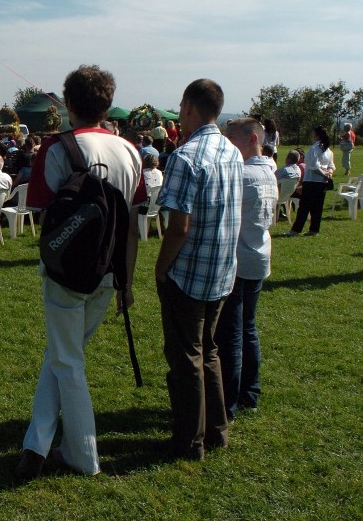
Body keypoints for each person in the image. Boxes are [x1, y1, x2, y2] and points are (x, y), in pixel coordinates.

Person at [15, 65, 141, 482]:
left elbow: (41, 218)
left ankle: (83, 455)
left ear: (67, 104)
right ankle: (35, 444)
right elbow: (133, 226)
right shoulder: (130, 152)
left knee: (67, 361)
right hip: (110, 272)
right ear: (106, 105)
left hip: (66, 273)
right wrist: (128, 281)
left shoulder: (55, 150)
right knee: (62, 355)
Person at [154, 79, 243, 461]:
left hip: (189, 273)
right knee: (208, 350)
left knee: (187, 357)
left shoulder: (186, 156)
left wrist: (160, 268)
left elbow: (179, 226)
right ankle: (217, 431)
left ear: (190, 107)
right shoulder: (232, 151)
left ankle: (190, 441)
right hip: (222, 270)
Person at [215, 118, 278, 422]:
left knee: (231, 333)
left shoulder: (243, 173)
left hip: (240, 258)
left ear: (252, 139)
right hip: (259, 254)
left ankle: (228, 401)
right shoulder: (269, 171)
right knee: (247, 328)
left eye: (232, 138)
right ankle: (249, 393)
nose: (227, 144)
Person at [284, 126, 334, 236]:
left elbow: (313, 166)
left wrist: (323, 174)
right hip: (323, 183)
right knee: (317, 207)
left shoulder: (314, 148)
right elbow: (331, 165)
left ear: (316, 135)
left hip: (311, 180)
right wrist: (328, 173)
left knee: (304, 206)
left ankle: (296, 230)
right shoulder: (328, 150)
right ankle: (314, 229)